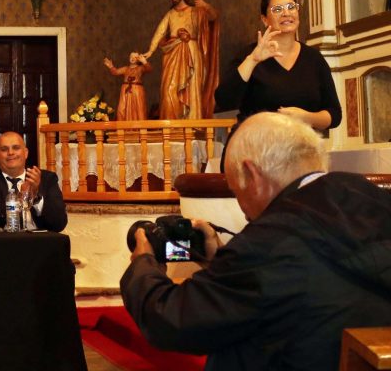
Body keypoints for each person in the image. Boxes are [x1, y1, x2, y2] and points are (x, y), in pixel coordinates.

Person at [120, 112, 391, 370]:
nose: (243, 210)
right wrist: (222, 259)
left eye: (236, 191)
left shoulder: (268, 243)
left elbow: (171, 320)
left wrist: (144, 261)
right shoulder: (372, 198)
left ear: (251, 174)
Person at [215, 0, 342, 133]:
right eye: (277, 9)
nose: (286, 13)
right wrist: (253, 60)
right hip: (257, 146)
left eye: (291, 7)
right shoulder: (249, 55)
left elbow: (335, 114)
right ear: (264, 19)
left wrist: (307, 117)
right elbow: (224, 101)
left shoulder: (314, 59)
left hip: (301, 146)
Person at [143, 0, 220, 119]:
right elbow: (160, 31)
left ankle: (192, 127)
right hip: (173, 53)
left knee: (192, 88)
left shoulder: (195, 11)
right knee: (168, 90)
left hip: (192, 51)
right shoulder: (170, 14)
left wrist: (205, 6)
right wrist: (151, 50)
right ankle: (171, 128)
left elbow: (213, 17)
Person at [0, 131, 67, 231]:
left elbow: (58, 224)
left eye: (16, 148)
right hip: (0, 242)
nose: (10, 153)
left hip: (38, 242)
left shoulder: (46, 178)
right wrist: (21, 199)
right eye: (4, 149)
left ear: (26, 153)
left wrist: (35, 197)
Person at [104, 52, 152, 121]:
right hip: (125, 90)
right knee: (122, 108)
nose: (132, 58)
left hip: (137, 91)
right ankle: (123, 127)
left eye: (135, 57)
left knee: (138, 108)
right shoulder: (125, 69)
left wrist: (145, 62)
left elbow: (149, 69)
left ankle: (139, 127)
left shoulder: (140, 68)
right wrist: (111, 66)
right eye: (131, 56)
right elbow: (116, 72)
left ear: (139, 59)